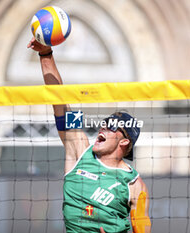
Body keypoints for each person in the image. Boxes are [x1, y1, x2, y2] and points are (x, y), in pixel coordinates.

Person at [27, 37, 151, 233]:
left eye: (111, 127)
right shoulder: (80, 150)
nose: (103, 127)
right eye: (105, 123)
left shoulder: (135, 184)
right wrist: (46, 54)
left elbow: (143, 229)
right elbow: (60, 99)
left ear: (124, 141)